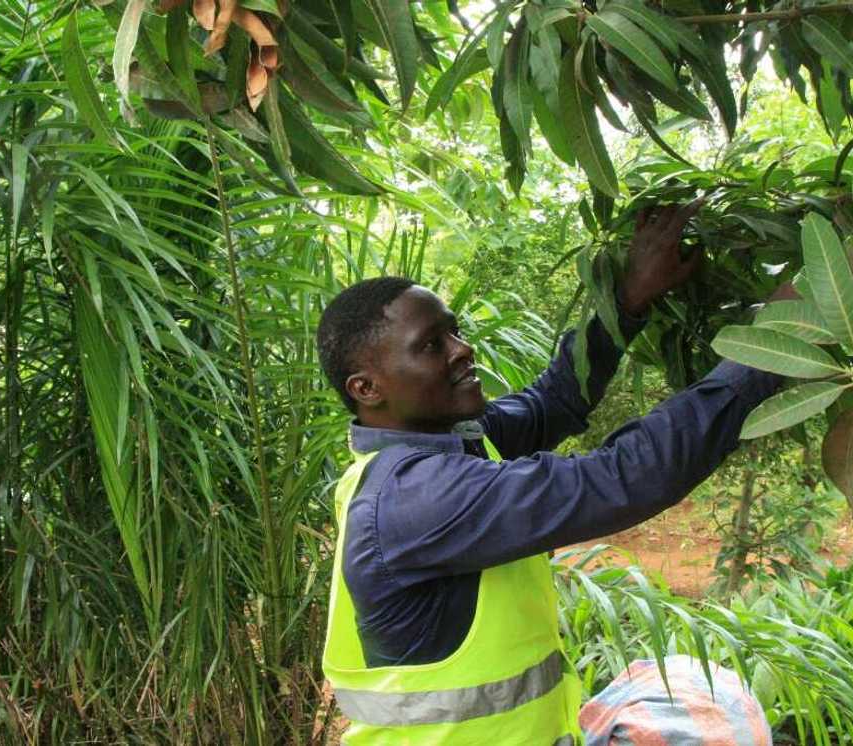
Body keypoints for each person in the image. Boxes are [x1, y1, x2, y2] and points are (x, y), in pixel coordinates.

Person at [316, 203, 786, 744]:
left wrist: (627, 301)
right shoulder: (416, 497)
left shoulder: (451, 444)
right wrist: (772, 343)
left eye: (454, 332)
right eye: (431, 344)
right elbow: (623, 477)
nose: (463, 349)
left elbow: (555, 400)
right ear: (367, 389)